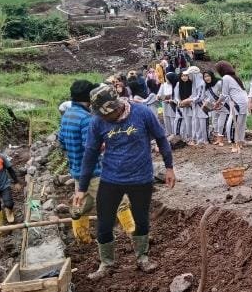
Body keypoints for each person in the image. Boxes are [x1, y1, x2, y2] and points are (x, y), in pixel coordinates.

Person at [75, 84, 175, 280]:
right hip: (111, 178)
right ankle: (106, 263)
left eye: (108, 114)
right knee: (104, 223)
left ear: (118, 105)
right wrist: (82, 187)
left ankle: (142, 257)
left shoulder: (142, 113)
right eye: (102, 115)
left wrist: (169, 167)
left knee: (141, 219)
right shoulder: (97, 122)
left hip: (141, 177)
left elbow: (162, 138)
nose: (105, 118)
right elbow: (90, 154)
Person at [58, 80, 136, 243]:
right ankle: (133, 234)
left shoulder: (67, 115)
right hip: (95, 172)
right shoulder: (86, 118)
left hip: (77, 171)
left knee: (82, 206)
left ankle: (82, 239)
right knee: (119, 201)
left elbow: (62, 143)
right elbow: (92, 147)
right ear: (89, 98)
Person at [214, 61, 249, 152]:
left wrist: (217, 103)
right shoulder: (235, 77)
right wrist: (221, 103)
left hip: (237, 104)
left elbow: (224, 94)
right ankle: (240, 143)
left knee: (231, 124)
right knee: (240, 124)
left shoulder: (226, 78)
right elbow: (229, 95)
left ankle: (234, 145)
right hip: (244, 102)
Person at [174, 70, 194, 141]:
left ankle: (193, 137)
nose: (184, 77)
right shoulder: (178, 84)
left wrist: (188, 101)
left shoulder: (192, 83)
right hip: (183, 106)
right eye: (182, 76)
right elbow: (176, 96)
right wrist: (179, 102)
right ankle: (187, 137)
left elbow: (194, 94)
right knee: (186, 122)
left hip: (191, 105)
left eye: (186, 75)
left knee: (192, 122)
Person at [157, 72, 178, 136]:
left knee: (172, 118)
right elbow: (159, 93)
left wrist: (170, 98)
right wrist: (159, 96)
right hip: (165, 104)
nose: (166, 80)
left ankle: (174, 133)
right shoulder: (163, 85)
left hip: (172, 104)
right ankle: (168, 132)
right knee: (166, 118)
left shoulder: (175, 85)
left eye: (167, 78)